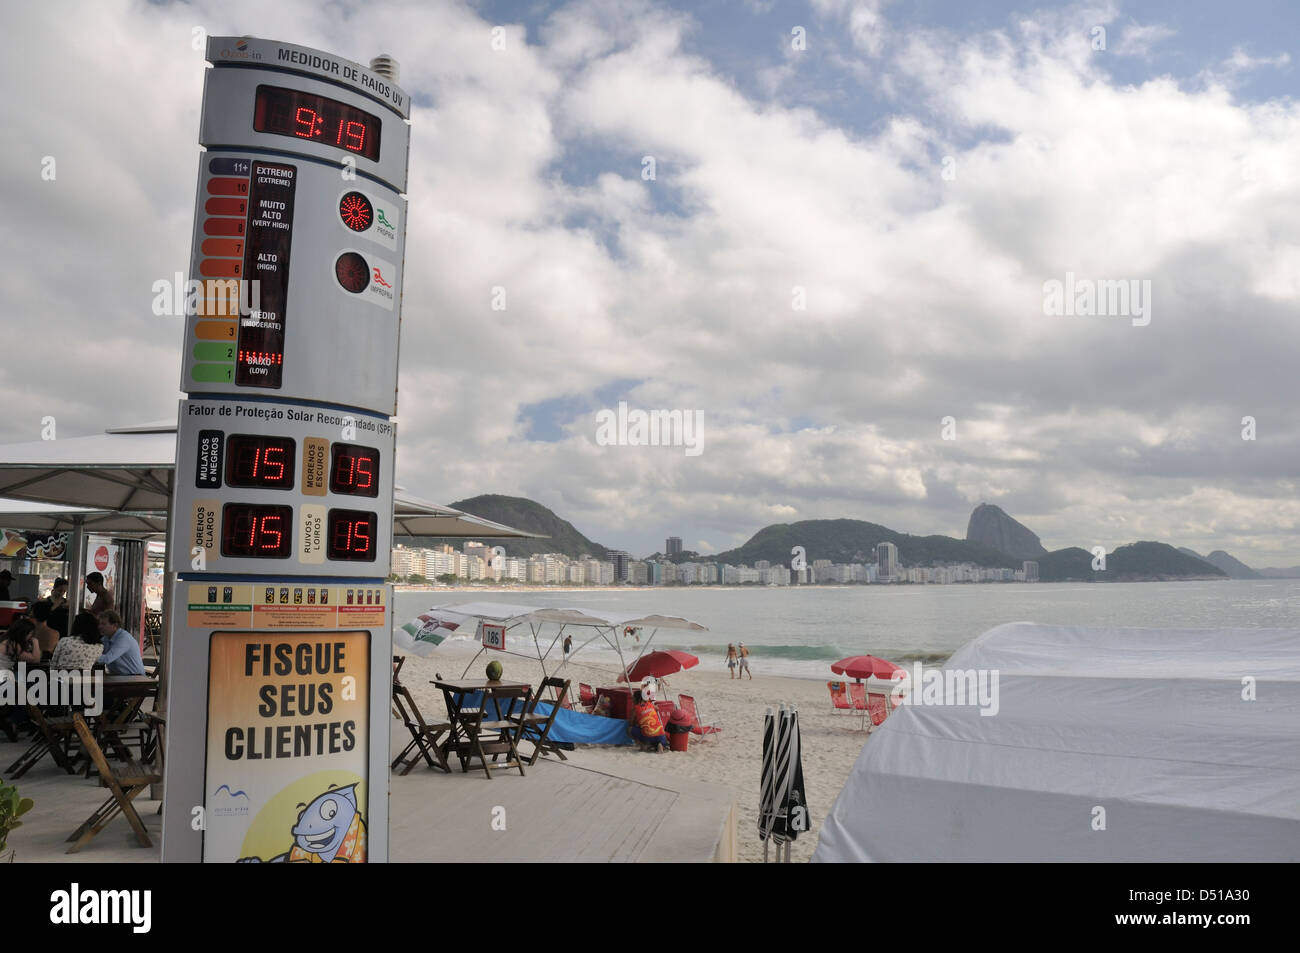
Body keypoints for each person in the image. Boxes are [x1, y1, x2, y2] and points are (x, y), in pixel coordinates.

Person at [96, 609, 145, 676]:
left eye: (104, 624)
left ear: (115, 626)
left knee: (95, 683)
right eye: (100, 624)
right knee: (94, 682)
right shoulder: (106, 638)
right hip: (118, 677)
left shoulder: (124, 638)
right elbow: (98, 653)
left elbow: (107, 659)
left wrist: (86, 657)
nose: (100, 627)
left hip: (134, 678)